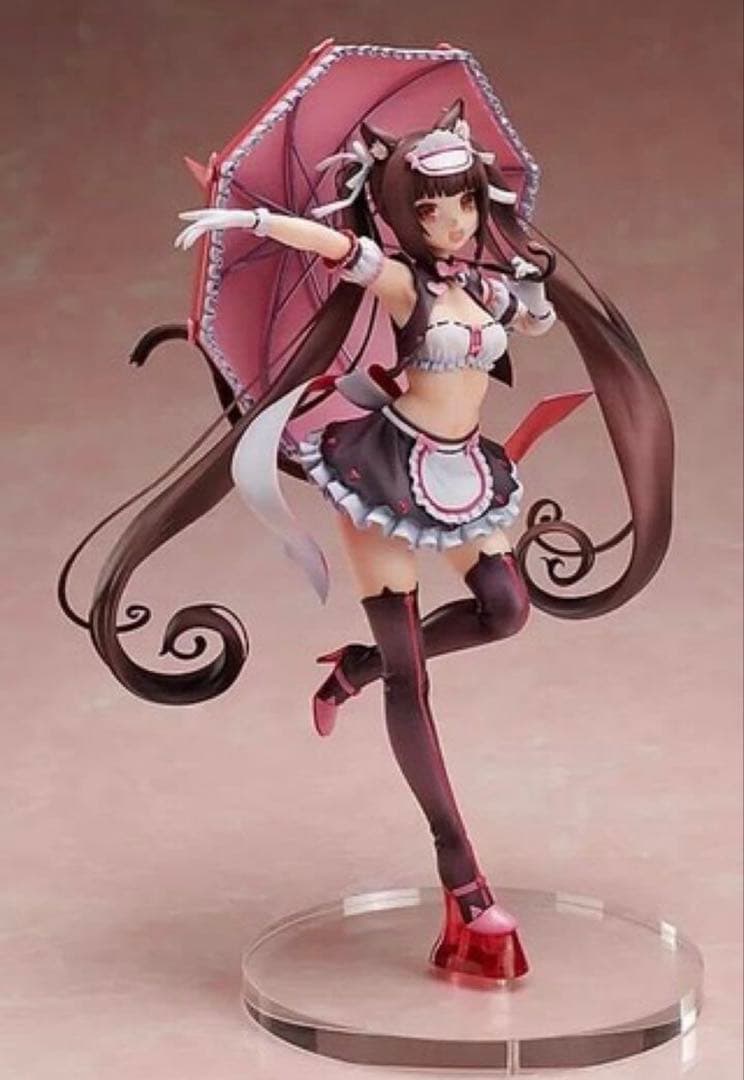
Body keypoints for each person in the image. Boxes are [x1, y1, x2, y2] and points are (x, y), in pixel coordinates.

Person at [61, 98, 674, 984]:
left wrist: (536, 283)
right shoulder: (405, 285)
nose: (451, 220)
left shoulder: (484, 285)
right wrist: (253, 222)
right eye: (430, 207)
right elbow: (339, 250)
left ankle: (356, 666)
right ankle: (464, 879)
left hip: (464, 473)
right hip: (383, 477)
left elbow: (535, 319)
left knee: (506, 611)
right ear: (398, 211)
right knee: (413, 681)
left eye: (464, 201)